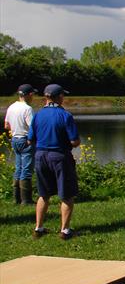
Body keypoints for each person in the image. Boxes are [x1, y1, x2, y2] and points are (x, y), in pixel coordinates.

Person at [27, 84, 80, 239]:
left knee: (43, 195)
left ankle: (39, 228)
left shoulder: (37, 115)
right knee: (67, 195)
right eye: (63, 95)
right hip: (59, 157)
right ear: (59, 97)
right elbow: (74, 141)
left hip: (40, 156)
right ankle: (65, 230)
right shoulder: (65, 116)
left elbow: (30, 140)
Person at [4, 84, 37, 205]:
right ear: (30, 95)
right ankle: (26, 200)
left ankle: (16, 198)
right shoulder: (27, 109)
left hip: (15, 139)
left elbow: (6, 125)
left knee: (18, 168)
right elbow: (33, 127)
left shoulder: (12, 106)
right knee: (27, 169)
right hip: (25, 140)